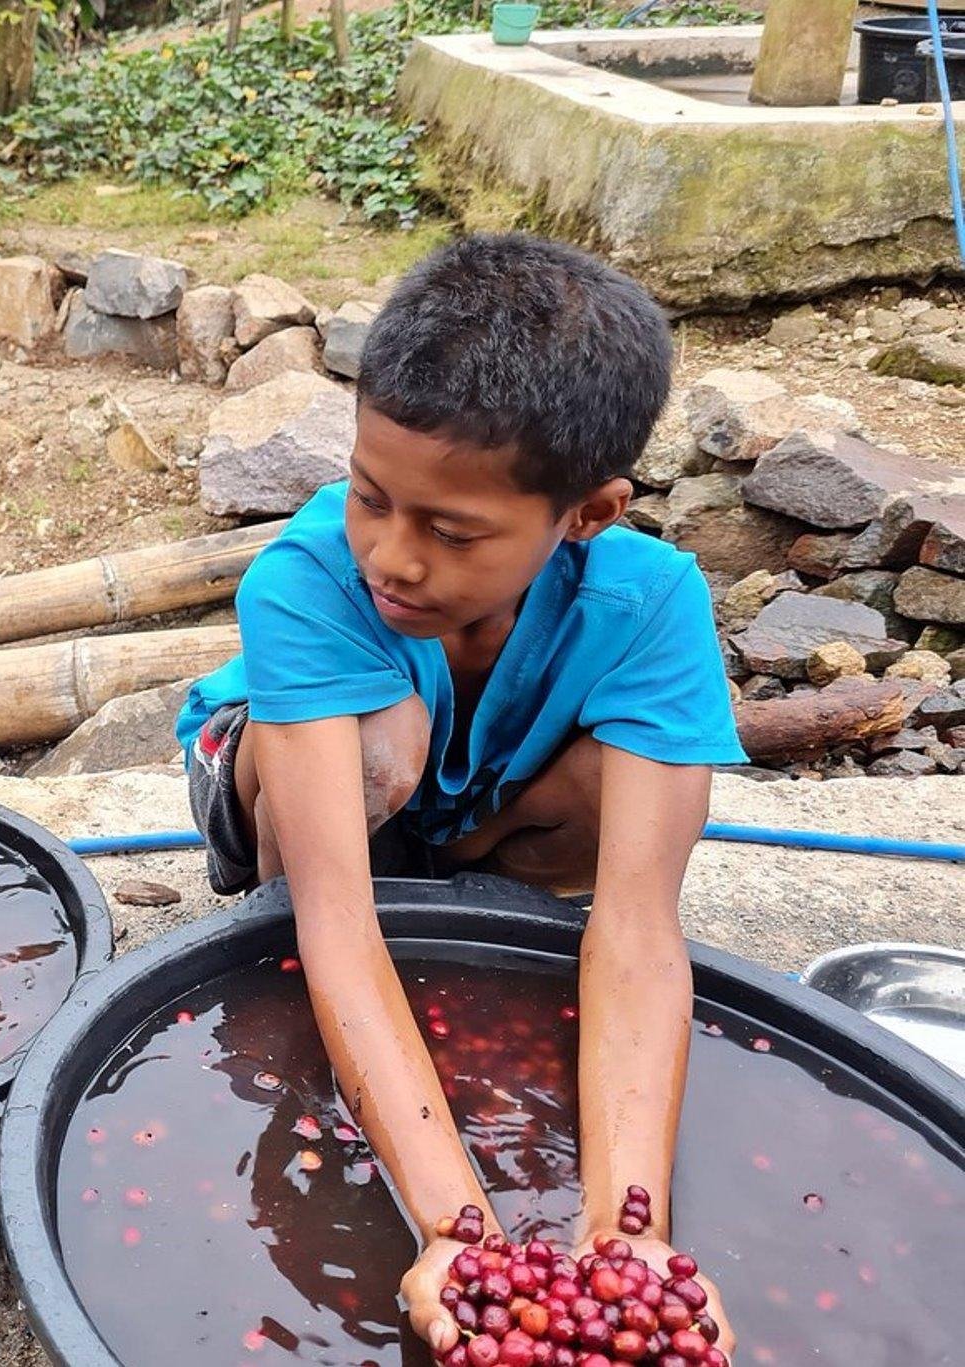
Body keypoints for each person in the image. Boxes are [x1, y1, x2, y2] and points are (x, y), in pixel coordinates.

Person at [176, 234, 741, 1356]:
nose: (392, 556)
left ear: (587, 513)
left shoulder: (653, 602)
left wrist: (629, 1235)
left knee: (627, 785)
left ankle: (461, 889)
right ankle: (315, 910)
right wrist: (459, 1229)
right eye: (370, 496)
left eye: (451, 530)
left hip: (484, 806)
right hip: (290, 782)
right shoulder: (308, 583)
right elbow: (338, 924)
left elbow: (638, 929)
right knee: (381, 742)